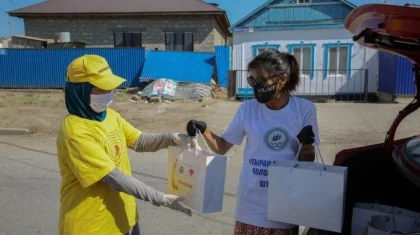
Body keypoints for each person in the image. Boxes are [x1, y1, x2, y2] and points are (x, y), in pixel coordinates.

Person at [186, 50, 320, 235]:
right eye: (253, 81)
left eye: (262, 81)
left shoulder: (304, 109)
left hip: (285, 206)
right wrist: (204, 129)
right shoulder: (248, 109)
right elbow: (222, 147)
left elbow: (307, 161)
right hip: (250, 207)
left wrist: (307, 144)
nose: (257, 86)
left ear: (282, 79)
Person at [56, 54, 192, 235]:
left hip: (124, 219)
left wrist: (171, 138)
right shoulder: (75, 131)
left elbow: (139, 141)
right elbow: (113, 178)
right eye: (100, 90)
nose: (108, 94)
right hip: (92, 226)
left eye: (110, 88)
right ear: (80, 90)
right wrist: (159, 198)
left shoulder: (109, 116)